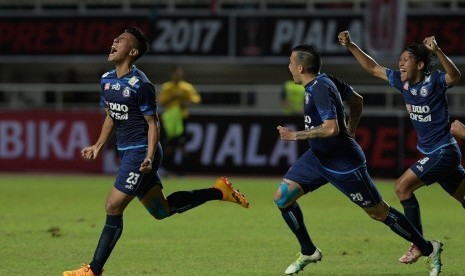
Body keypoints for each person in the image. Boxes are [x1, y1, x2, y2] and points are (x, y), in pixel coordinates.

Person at [63, 27, 249, 276]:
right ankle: (219, 191)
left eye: (122, 40)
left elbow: (153, 124)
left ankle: (93, 270)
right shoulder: (107, 79)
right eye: (115, 38)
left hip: (142, 152)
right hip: (128, 152)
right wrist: (97, 145)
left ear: (133, 51)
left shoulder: (141, 84)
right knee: (161, 211)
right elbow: (111, 115)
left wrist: (149, 157)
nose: (115, 41)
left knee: (113, 206)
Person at [274, 44, 442, 276]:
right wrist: (351, 128)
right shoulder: (322, 80)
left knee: (379, 212)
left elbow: (331, 128)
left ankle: (428, 248)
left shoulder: (320, 89)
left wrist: (295, 135)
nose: (289, 67)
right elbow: (356, 99)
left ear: (301, 67)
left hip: (344, 164)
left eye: (291, 63)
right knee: (283, 198)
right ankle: (308, 250)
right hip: (318, 158)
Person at [339, 30, 465, 265]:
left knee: (402, 188)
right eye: (400, 60)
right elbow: (373, 68)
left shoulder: (434, 81)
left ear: (419, 64)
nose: (400, 64)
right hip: (434, 153)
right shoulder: (402, 82)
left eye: (405, 60)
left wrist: (437, 51)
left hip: (444, 152)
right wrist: (352, 45)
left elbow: (455, 76)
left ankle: (418, 244)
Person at [158, 66, 201, 176]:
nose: (177, 76)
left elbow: (196, 100)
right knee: (168, 146)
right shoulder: (167, 87)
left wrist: (184, 100)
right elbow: (161, 101)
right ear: (172, 75)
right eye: (175, 74)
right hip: (170, 120)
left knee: (182, 145)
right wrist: (172, 97)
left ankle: (182, 171)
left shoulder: (186, 88)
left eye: (179, 74)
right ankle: (167, 170)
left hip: (182, 119)